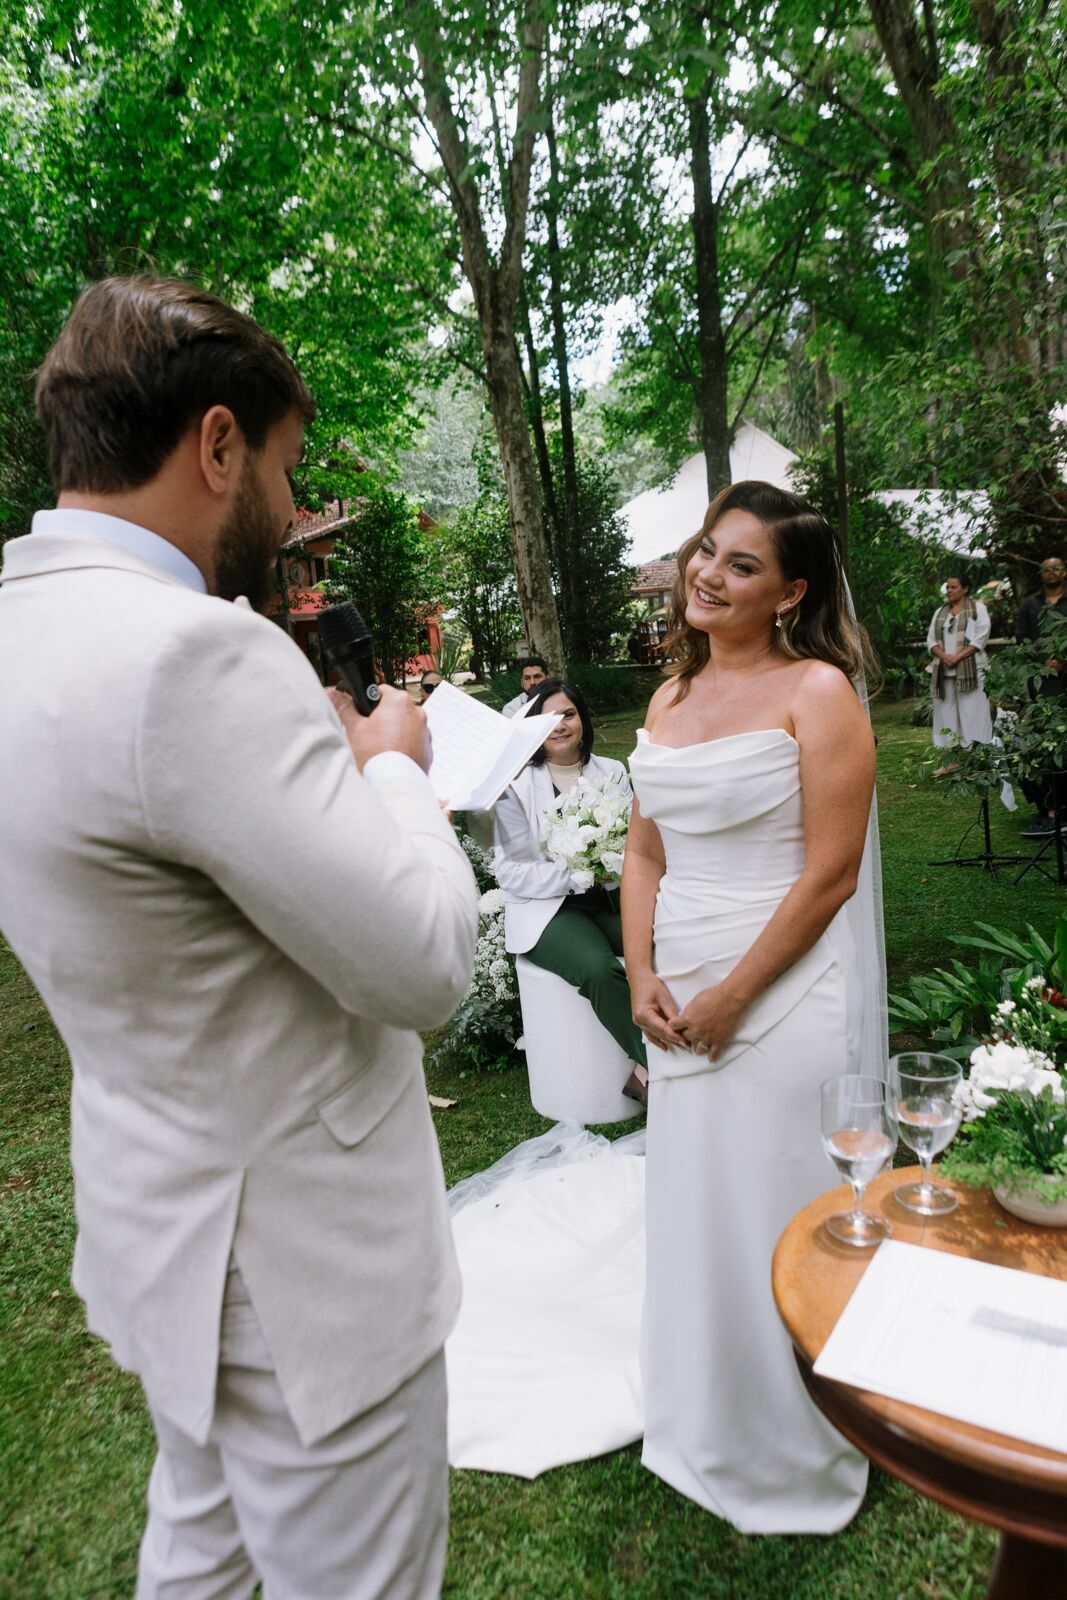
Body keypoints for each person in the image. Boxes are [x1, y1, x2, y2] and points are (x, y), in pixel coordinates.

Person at [0, 277, 478, 1599]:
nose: (286, 505)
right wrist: (388, 769)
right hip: (305, 1286)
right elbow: (426, 965)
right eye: (282, 466)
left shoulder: (16, 629)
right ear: (216, 444)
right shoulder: (193, 657)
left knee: (197, 1560)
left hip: (165, 1230)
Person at [623, 480, 879, 1534]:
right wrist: (639, 974)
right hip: (675, 988)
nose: (707, 573)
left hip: (779, 986)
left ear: (788, 593)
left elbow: (827, 876)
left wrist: (732, 995)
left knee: (774, 1196)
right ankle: (704, 1398)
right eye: (704, 551)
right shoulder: (665, 701)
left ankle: (798, 1415)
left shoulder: (816, 693)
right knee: (695, 1194)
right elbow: (644, 850)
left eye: (740, 565)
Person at [491, 678, 648, 1099]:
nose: (559, 725)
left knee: (664, 940)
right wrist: (576, 874)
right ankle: (660, 1069)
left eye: (568, 714)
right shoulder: (517, 787)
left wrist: (608, 867)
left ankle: (642, 1070)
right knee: (599, 969)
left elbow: (634, 845)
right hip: (548, 912)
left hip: (609, 900)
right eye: (546, 718)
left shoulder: (613, 772)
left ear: (582, 719)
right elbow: (510, 872)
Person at [1015, 556, 1067, 837]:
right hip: (1041, 690)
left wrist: (1062, 660)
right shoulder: (1030, 605)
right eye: (1046, 568)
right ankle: (1050, 810)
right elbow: (1021, 640)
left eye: (1056, 567)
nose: (1051, 572)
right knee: (1038, 750)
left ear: (1064, 571)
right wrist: (1041, 661)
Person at [926, 574, 993, 775]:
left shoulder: (977, 609)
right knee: (945, 715)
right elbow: (931, 640)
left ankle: (978, 759)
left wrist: (957, 657)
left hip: (971, 671)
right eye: (948, 587)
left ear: (965, 588)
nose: (949, 591)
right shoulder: (941, 612)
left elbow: (981, 637)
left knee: (975, 713)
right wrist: (945, 656)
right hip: (944, 671)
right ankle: (950, 762)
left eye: (953, 587)